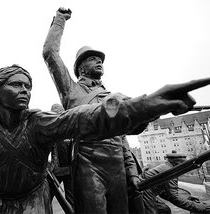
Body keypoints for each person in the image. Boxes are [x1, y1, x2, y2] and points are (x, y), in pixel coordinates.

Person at [0, 63, 210, 214]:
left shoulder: (37, 122)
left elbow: (85, 118)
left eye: (28, 86)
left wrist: (146, 105)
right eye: (16, 85)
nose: (25, 90)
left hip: (33, 200)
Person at [43, 7, 148, 213]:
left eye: (100, 59)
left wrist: (131, 170)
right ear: (81, 68)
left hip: (117, 161)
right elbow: (49, 53)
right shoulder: (71, 90)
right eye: (92, 58)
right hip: (88, 160)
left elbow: (124, 138)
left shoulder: (114, 96)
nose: (99, 61)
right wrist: (59, 21)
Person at [141, 150, 210, 214]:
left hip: (148, 192)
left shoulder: (166, 166)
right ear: (177, 163)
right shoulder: (170, 171)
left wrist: (186, 198)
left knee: (164, 209)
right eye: (183, 164)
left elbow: (165, 193)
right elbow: (174, 198)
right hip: (143, 193)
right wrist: (198, 207)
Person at [49, 103, 73, 205]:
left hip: (70, 171)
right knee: (47, 197)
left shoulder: (71, 130)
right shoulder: (50, 131)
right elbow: (45, 151)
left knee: (71, 201)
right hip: (56, 171)